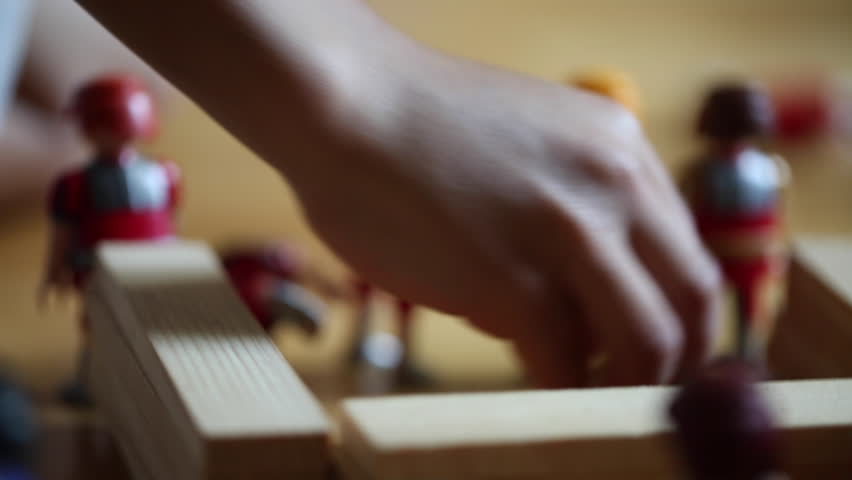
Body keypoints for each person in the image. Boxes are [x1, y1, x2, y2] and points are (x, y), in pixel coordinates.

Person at [29, 1, 724, 389]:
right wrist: (363, 95)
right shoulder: (93, 175)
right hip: (108, 274)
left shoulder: (149, 170)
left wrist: (359, 90)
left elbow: (97, 58)